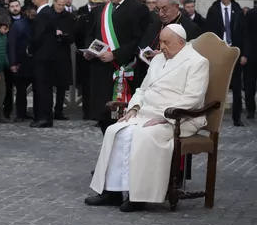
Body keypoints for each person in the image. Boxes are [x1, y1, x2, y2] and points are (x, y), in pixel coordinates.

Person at [85, 24, 209, 212]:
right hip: (146, 113)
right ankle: (112, 192)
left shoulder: (197, 62)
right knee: (115, 130)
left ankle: (139, 196)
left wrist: (164, 117)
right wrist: (133, 108)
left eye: (167, 43)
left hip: (178, 118)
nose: (162, 47)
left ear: (181, 43)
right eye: (161, 42)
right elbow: (142, 89)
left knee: (144, 136)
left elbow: (193, 98)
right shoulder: (159, 59)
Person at [83, 0, 150, 136]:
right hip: (102, 71)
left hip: (124, 69)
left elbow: (138, 40)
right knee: (105, 119)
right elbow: (91, 34)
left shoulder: (138, 8)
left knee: (122, 119)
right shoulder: (103, 10)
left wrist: (115, 55)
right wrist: (90, 50)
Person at [135, 0, 201, 88]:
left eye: (164, 9)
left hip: (176, 82)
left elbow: (193, 58)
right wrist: (148, 55)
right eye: (158, 10)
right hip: (151, 79)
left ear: (176, 7)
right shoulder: (154, 25)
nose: (161, 14)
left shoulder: (190, 28)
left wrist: (162, 56)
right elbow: (141, 47)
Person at [204, 0, 247, 126]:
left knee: (236, 85)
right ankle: (211, 116)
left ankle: (237, 117)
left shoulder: (238, 11)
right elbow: (208, 31)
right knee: (214, 85)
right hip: (219, 51)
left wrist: (243, 53)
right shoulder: (214, 10)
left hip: (234, 51)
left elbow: (243, 33)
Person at [29, 0, 58, 128]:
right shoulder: (48, 13)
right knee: (44, 88)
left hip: (42, 58)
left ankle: (43, 117)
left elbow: (37, 37)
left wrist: (30, 49)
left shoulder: (43, 14)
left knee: (42, 88)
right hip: (47, 58)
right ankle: (42, 117)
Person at [8, 5, 36, 122]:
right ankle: (21, 113)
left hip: (34, 62)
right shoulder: (18, 25)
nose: (33, 15)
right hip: (21, 62)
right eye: (31, 13)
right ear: (26, 12)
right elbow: (12, 44)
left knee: (37, 89)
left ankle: (36, 112)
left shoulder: (37, 24)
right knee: (21, 90)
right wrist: (13, 62)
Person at [52, 0, 75, 120]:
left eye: (63, 5)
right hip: (50, 53)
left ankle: (59, 111)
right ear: (54, 2)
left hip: (63, 53)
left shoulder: (69, 16)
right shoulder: (48, 14)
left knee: (62, 85)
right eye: (59, 4)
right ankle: (47, 109)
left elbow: (72, 35)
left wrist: (64, 35)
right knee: (48, 84)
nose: (61, 7)